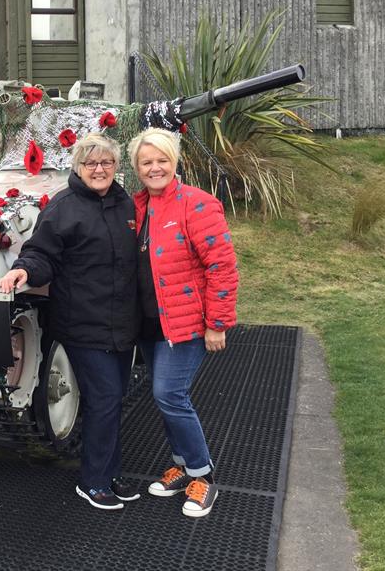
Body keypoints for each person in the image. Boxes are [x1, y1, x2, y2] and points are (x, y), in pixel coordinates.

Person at [0, 133, 141, 511]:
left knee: (113, 400)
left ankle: (110, 475)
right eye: (90, 163)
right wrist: (23, 272)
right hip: (83, 321)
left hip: (123, 322)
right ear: (77, 167)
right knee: (105, 399)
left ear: (115, 166)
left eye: (106, 162)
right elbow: (41, 253)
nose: (99, 169)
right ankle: (92, 482)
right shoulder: (63, 207)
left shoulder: (125, 203)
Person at [128, 127, 239, 518]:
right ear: (136, 168)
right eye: (146, 162)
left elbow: (221, 266)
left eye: (162, 160)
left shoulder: (197, 204)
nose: (154, 167)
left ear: (175, 162)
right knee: (164, 400)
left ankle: (203, 477)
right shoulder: (137, 206)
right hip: (149, 324)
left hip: (187, 323)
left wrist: (218, 323)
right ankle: (182, 466)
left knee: (170, 396)